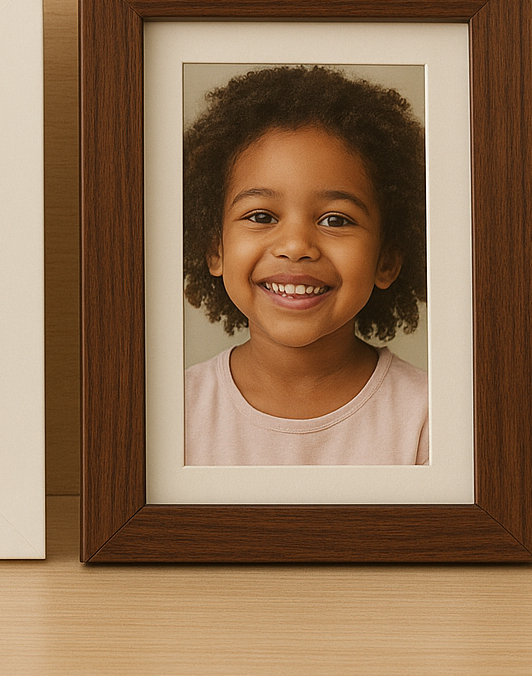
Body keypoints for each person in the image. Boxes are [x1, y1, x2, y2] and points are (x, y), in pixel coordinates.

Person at [181, 65, 429, 466]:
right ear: (215, 250)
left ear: (387, 259)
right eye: (261, 216)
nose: (296, 247)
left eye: (336, 219)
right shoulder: (170, 414)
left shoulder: (429, 417)